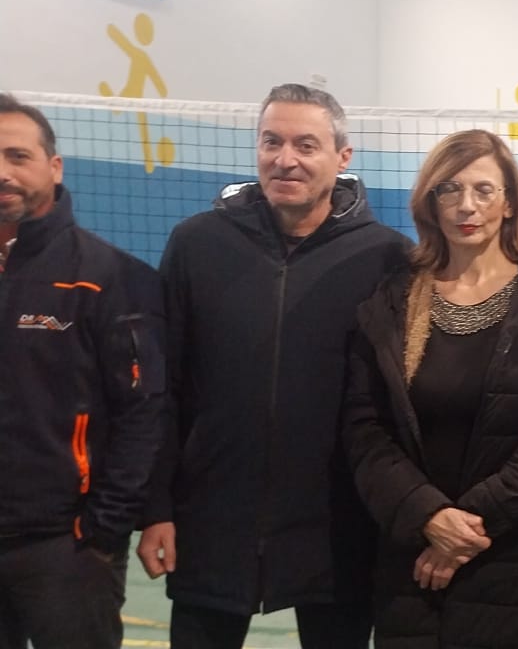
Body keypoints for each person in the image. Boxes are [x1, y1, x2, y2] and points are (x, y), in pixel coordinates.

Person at [137, 84, 410, 648]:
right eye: (271, 142)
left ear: (342, 156)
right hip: (212, 523)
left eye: (306, 145)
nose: (286, 159)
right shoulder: (195, 244)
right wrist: (157, 508)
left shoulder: (387, 257)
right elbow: (164, 387)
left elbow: (397, 404)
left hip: (339, 528)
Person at [341, 129, 518, 647]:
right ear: (430, 202)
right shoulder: (393, 298)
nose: (466, 205)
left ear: (509, 204)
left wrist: (464, 530)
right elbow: (365, 429)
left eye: (484, 190)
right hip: (417, 573)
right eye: (450, 189)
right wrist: (428, 516)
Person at [0, 93, 165, 649]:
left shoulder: (110, 277)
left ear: (54, 166)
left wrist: (103, 529)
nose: (2, 172)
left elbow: (143, 411)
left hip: (65, 547)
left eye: (17, 156)